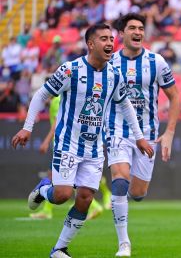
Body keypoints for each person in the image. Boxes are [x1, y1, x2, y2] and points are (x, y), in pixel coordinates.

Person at [11, 23, 154, 258]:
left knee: (86, 198)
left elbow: (126, 105)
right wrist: (27, 128)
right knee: (62, 196)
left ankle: (59, 249)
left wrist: (139, 137)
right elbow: (41, 95)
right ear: (90, 44)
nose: (110, 43)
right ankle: (43, 190)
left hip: (95, 148)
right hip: (68, 144)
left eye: (111, 39)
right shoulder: (70, 70)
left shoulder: (114, 75)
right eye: (104, 39)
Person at [107, 13, 180, 257]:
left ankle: (121, 201)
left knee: (137, 193)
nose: (138, 32)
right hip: (117, 130)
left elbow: (174, 97)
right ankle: (123, 243)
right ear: (122, 33)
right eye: (132, 28)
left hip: (148, 134)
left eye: (140, 28)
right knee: (120, 180)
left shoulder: (156, 61)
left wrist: (169, 132)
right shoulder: (110, 62)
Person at [32, 94, 112, 220]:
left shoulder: (57, 101)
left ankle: (47, 209)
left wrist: (46, 141)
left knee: (56, 178)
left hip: (64, 145)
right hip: (81, 143)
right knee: (73, 180)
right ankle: (100, 200)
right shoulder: (72, 96)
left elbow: (56, 124)